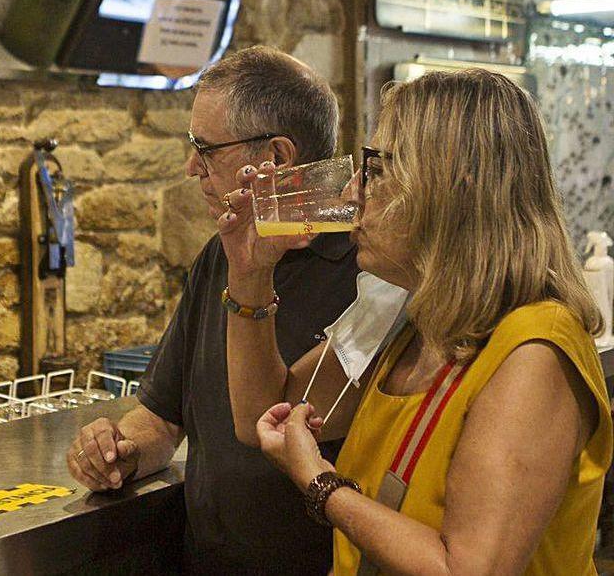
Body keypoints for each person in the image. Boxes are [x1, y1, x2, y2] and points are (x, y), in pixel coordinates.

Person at [219, 69, 612, 574]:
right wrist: (250, 273)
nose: (351, 194)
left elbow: (469, 568)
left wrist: (320, 483)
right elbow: (264, 418)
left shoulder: (534, 350)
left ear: (455, 187)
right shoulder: (406, 313)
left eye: (376, 170)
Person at [67, 46, 362, 574]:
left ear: (275, 158)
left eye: (206, 149)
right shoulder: (218, 257)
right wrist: (120, 449)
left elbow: (264, 419)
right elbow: (162, 418)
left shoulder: (370, 274)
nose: (190, 168)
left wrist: (250, 278)